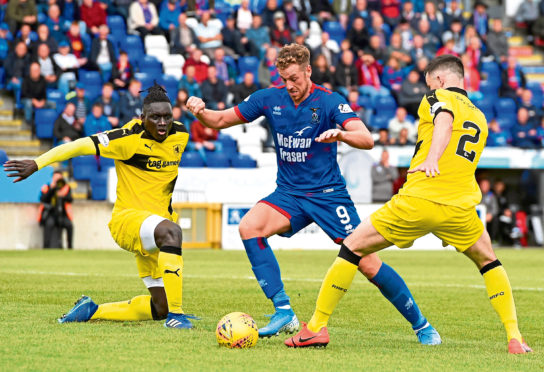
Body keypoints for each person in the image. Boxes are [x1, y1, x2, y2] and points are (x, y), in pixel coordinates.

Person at [186, 44, 439, 343]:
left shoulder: (330, 102)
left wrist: (342, 133)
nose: (289, 85)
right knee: (249, 227)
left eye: (294, 78)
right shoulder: (269, 98)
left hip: (328, 195)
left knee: (367, 262)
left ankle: (422, 325)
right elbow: (220, 120)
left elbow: (367, 138)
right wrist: (201, 112)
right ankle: (283, 312)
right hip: (289, 194)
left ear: (308, 70)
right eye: (284, 78)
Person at [286, 55, 532, 355]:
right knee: (489, 261)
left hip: (420, 198)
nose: (428, 90)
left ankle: (315, 327)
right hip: (460, 207)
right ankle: (515, 337)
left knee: (352, 248)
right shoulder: (479, 115)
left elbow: (444, 120)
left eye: (430, 84)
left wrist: (432, 158)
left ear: (440, 80)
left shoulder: (436, 97)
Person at [5, 83, 197, 329]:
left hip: (155, 226)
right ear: (142, 117)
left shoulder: (180, 134)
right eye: (155, 117)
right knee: (172, 232)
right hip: (129, 221)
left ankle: (92, 311)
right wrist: (38, 162)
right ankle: (177, 317)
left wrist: (201, 110)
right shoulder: (127, 139)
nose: (162, 123)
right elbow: (78, 146)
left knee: (160, 307)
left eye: (167, 117)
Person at [38, 171, 74, 249]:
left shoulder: (66, 188)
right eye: (56, 178)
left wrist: (62, 195)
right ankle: (46, 247)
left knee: (69, 225)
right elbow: (43, 199)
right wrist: (52, 189)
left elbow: (70, 199)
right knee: (48, 225)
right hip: (50, 214)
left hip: (63, 214)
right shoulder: (47, 187)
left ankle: (70, 247)